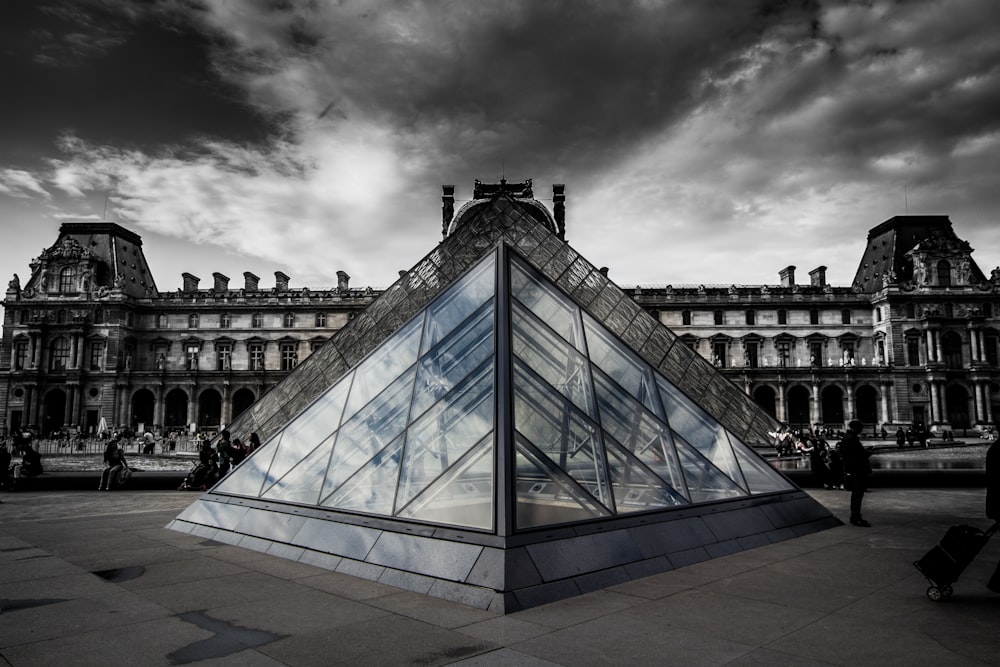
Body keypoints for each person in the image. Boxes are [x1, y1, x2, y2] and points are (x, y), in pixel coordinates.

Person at [840, 419, 873, 527]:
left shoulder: (847, 438)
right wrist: (868, 453)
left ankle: (855, 516)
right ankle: (856, 517)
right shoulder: (851, 439)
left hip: (853, 470)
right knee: (857, 495)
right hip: (857, 470)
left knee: (856, 494)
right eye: (860, 428)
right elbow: (857, 456)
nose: (861, 430)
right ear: (856, 428)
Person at [987, 436, 1000, 593]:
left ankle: (997, 583)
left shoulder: (995, 448)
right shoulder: (998, 449)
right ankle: (997, 583)